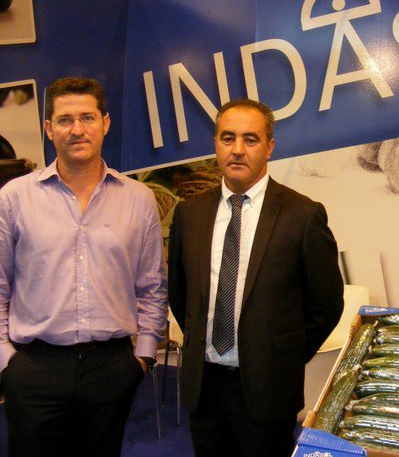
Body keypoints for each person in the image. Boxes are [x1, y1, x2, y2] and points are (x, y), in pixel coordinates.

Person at [0, 77, 168, 457]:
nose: (77, 129)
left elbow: (152, 286)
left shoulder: (139, 199)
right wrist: (7, 362)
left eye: (88, 117)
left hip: (112, 368)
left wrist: (142, 357)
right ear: (49, 128)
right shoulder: (14, 198)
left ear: (105, 123)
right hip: (35, 368)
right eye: (65, 119)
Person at [168, 98, 344, 456]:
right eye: (227, 138)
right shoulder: (189, 213)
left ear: (269, 147)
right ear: (216, 144)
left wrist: (281, 356)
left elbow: (326, 305)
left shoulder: (303, 215)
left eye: (250, 139)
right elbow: (179, 293)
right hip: (204, 387)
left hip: (268, 389)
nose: (237, 149)